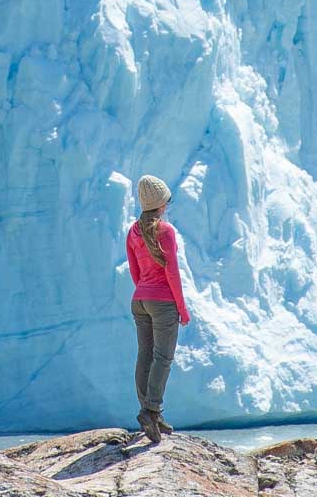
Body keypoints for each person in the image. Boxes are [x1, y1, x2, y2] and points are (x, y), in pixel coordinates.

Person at [126, 173, 191, 444]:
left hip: (139, 299)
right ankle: (151, 410)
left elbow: (134, 269)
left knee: (145, 354)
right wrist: (182, 308)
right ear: (160, 205)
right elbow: (172, 273)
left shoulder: (134, 231)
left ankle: (151, 411)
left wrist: (144, 291)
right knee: (163, 358)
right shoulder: (165, 231)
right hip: (162, 301)